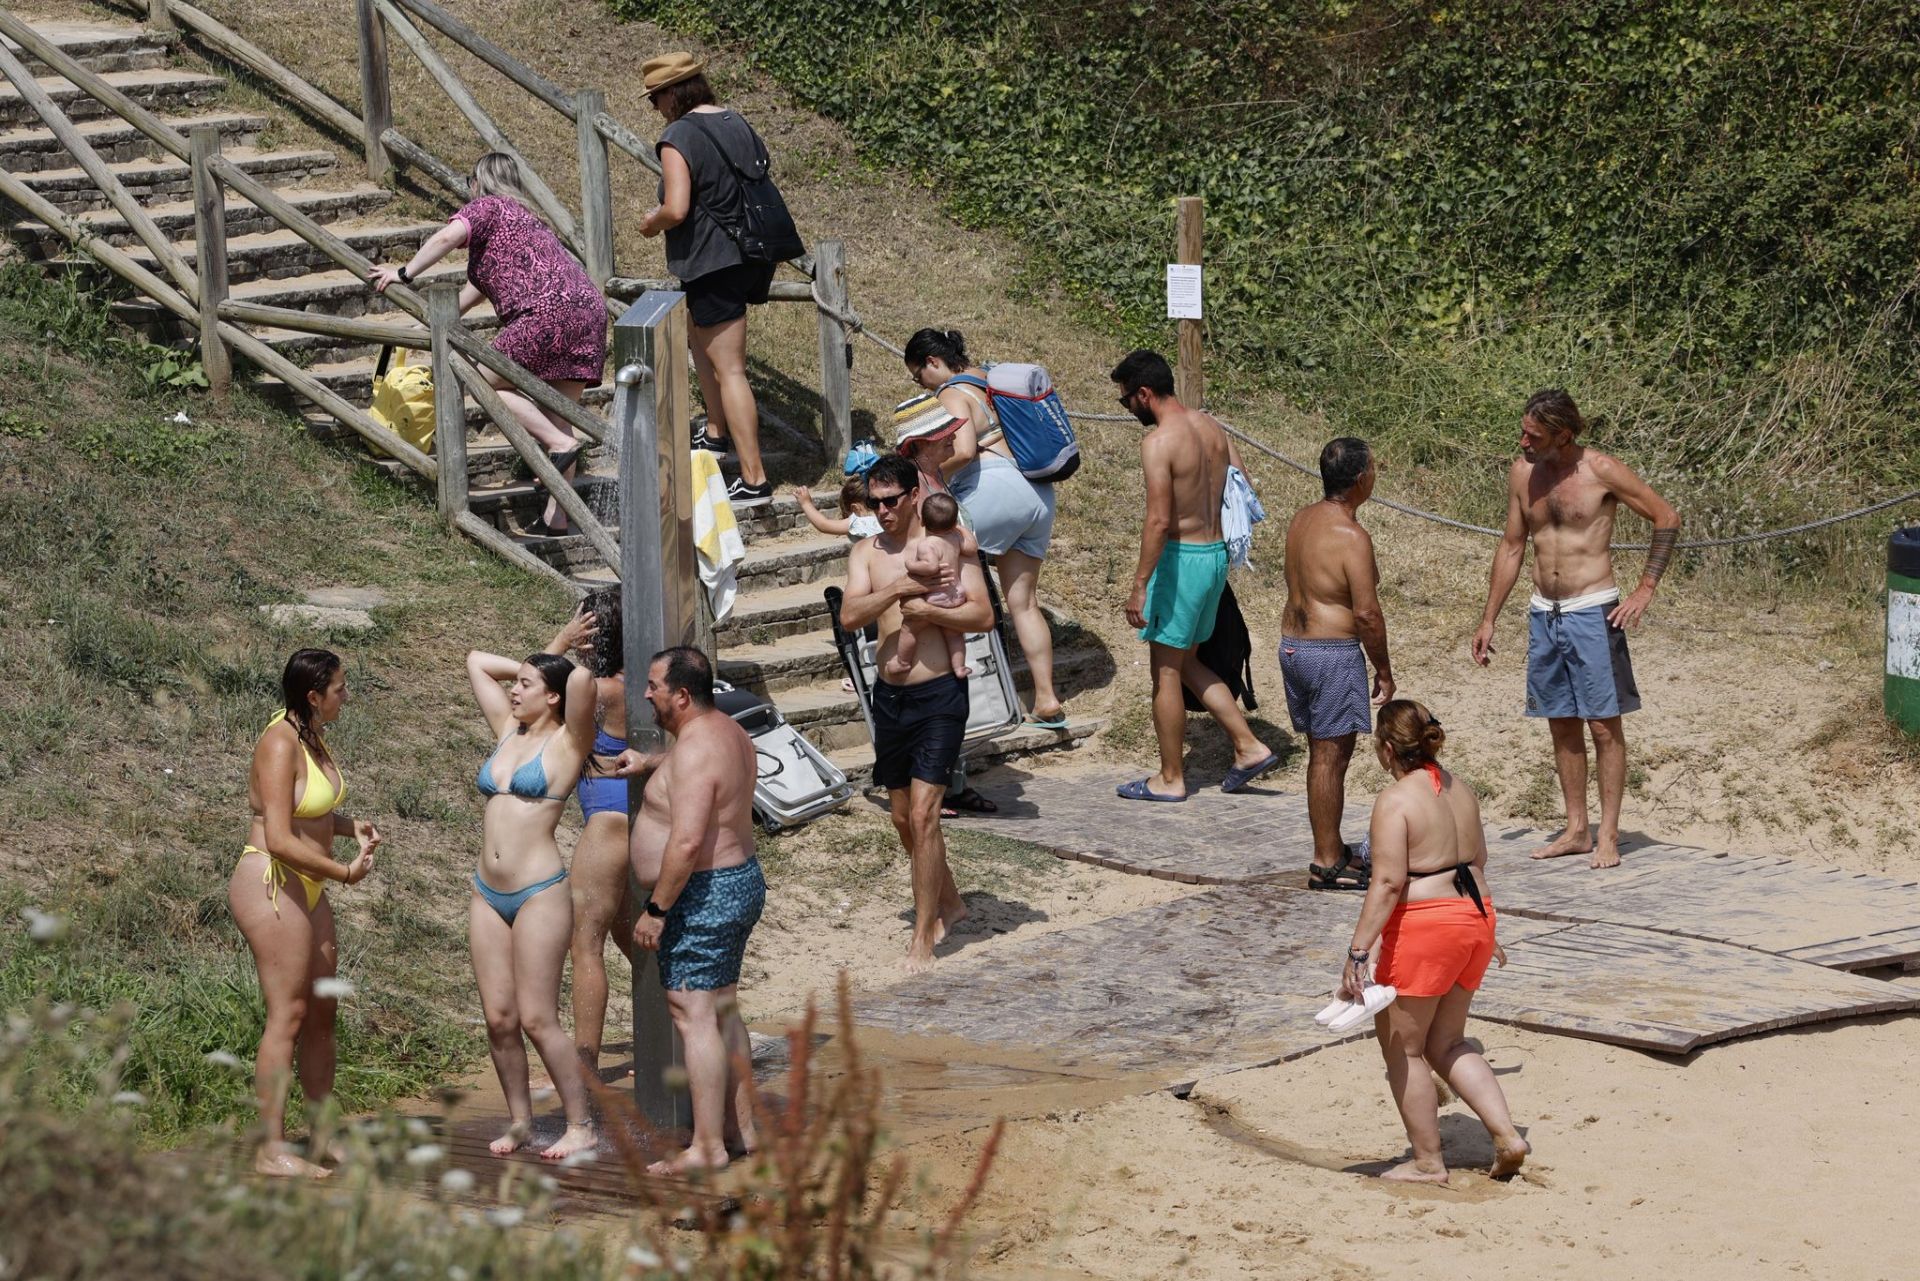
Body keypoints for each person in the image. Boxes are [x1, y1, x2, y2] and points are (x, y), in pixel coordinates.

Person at [1470, 389, 1681, 869]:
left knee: (1603, 725)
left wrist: (1645, 589)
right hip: (1544, 612)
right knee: (1561, 721)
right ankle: (1576, 829)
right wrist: (1488, 618)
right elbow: (1512, 546)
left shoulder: (1601, 470)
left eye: (1533, 435)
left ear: (1563, 435)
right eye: (1523, 431)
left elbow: (1667, 517)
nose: (1523, 441)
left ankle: (1609, 833)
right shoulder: (1523, 472)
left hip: (1592, 611)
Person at [1339, 700, 1529, 1184]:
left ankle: (1427, 1161)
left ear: (1386, 749)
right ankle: (1507, 1135)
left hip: (1428, 925)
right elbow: (1478, 861)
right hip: (1476, 917)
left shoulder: (1396, 800)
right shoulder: (1462, 790)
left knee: (1404, 1048)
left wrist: (1358, 951)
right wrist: (1484, 932)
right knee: (1449, 1041)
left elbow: (1386, 883)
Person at [372, 153, 607, 536]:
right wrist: (427, 324)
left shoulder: (487, 207)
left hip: (546, 312)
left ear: (477, 183)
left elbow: (447, 237)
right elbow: (471, 294)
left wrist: (403, 273)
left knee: (480, 379)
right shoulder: (527, 220)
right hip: (588, 311)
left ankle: (557, 443)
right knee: (559, 412)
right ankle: (557, 518)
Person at [611, 647, 766, 1175]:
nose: (646, 694)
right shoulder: (726, 731)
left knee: (692, 1012)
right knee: (721, 1009)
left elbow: (686, 842)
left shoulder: (696, 750)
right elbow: (701, 772)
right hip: (736, 881)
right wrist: (651, 763)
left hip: (703, 891)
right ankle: (741, 1130)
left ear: (680, 695)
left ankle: (707, 1147)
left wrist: (656, 909)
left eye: (654, 686)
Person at [229, 648, 379, 1179]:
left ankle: (321, 1135)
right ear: (313, 696)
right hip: (272, 882)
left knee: (321, 1012)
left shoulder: (312, 734)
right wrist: (343, 873)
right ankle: (270, 1148)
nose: (346, 696)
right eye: (340, 688)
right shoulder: (279, 741)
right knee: (288, 1015)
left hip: (308, 887)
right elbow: (277, 835)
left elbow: (308, 810)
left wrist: (349, 825)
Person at [840, 455, 995, 970]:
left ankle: (923, 937)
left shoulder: (946, 541)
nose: (882, 511)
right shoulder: (865, 554)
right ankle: (951, 903)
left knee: (926, 815)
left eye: (890, 501)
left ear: (912, 497)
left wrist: (927, 609)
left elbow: (983, 614)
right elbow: (850, 616)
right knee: (904, 818)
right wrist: (897, 590)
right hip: (890, 698)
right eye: (874, 503)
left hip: (940, 696)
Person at [1111, 349, 1277, 801]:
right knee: (1186, 663)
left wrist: (1139, 586)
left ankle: (1170, 778)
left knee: (1165, 672)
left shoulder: (1158, 443)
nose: (1128, 409)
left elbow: (1159, 521)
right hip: (1215, 557)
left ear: (1145, 393)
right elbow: (1242, 483)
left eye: (1127, 400)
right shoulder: (1211, 426)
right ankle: (1248, 746)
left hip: (1181, 560)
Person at [464, 646, 598, 1160]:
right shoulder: (507, 729)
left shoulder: (569, 742)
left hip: (539, 892)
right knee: (499, 1017)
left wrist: (565, 657)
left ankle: (580, 1124)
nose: (513, 691)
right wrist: (551, 648)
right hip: (486, 891)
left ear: (553, 697)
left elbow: (581, 683)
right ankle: (521, 1121)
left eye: (524, 685)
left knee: (538, 1018)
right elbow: (476, 662)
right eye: (515, 682)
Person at [903, 328, 1066, 729]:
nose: (920, 385)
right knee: (1024, 603)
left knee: (933, 563)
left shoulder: (951, 393)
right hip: (1037, 493)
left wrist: (925, 473)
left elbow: (963, 450)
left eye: (918, 375)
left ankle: (938, 681)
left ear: (933, 362)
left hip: (993, 486)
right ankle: (1047, 700)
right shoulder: (988, 379)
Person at [639, 52, 782, 506]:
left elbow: (677, 207)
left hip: (711, 260)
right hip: (748, 254)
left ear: (672, 93)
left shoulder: (677, 135)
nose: (655, 108)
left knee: (730, 369)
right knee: (701, 344)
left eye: (655, 98)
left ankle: (754, 478)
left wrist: (651, 223)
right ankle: (716, 433)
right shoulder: (736, 121)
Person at [1281, 437, 1394, 890]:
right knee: (1331, 757)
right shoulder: (1352, 536)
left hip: (1293, 647)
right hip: (1330, 652)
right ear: (1362, 479)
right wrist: (1383, 669)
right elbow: (1366, 613)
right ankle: (1327, 859)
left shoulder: (1301, 519)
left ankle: (1330, 848)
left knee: (1321, 753)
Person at [544, 590, 636, 1078]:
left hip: (608, 824)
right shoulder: (635, 683)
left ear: (595, 637)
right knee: (629, 935)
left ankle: (585, 1070)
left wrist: (559, 642)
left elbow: (532, 688)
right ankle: (679, 1035)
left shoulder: (597, 691)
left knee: (585, 943)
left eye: (583, 630)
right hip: (635, 821)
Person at [885, 492, 971, 680]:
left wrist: (911, 565)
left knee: (909, 628)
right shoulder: (955, 539)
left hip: (937, 598)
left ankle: (902, 662)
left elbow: (931, 567)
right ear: (953, 522)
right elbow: (971, 548)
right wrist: (962, 529)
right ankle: (959, 667)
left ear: (923, 521)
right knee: (954, 635)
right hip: (957, 595)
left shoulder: (928, 545)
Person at [792, 475, 880, 543]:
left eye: (847, 514)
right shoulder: (881, 520)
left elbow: (823, 525)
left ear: (855, 509)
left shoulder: (860, 522)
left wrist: (806, 503)